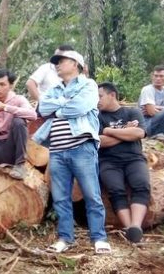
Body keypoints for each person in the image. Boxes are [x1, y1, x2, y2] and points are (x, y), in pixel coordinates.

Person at [32, 49, 111, 254]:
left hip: (82, 148)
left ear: (75, 63)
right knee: (60, 197)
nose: (57, 64)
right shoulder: (55, 88)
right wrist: (65, 103)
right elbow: (42, 107)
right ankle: (65, 238)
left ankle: (99, 238)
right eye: (56, 62)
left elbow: (81, 106)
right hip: (57, 151)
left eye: (62, 61)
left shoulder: (89, 85)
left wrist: (58, 109)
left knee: (92, 194)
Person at [97, 82, 150, 243]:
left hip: (134, 158)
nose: (96, 100)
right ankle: (129, 230)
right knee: (116, 190)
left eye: (100, 96)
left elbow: (139, 133)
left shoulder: (132, 111)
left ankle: (136, 226)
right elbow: (99, 141)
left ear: (112, 95)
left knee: (141, 185)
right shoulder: (97, 116)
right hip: (108, 161)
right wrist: (125, 132)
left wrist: (109, 131)